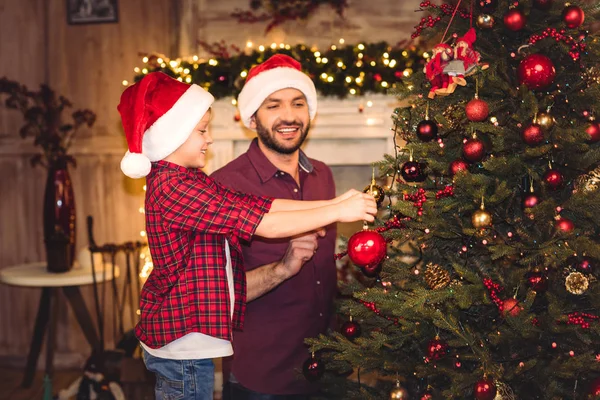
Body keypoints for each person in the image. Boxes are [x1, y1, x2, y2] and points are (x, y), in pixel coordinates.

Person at [117, 71, 377, 400]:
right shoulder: (174, 187)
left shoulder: (190, 180)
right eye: (201, 131)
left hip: (190, 341)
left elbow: (258, 206)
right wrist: (338, 212)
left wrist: (332, 202)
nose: (209, 140)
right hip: (181, 342)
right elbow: (261, 222)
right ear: (173, 135)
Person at [210, 54, 338, 399]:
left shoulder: (322, 175)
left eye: (298, 103)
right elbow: (214, 293)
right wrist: (282, 268)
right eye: (273, 105)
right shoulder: (223, 187)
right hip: (262, 377)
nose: (289, 116)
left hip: (327, 365)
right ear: (252, 118)